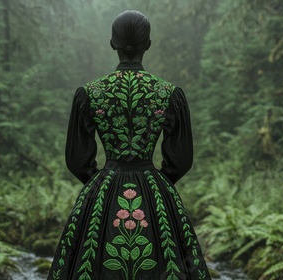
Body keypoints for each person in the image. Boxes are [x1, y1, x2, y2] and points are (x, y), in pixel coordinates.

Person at [47, 10, 211, 280]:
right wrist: (157, 185)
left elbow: (77, 159)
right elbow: (181, 159)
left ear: (113, 44)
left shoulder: (91, 93)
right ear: (148, 44)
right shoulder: (168, 93)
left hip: (104, 188)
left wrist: (100, 184)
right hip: (154, 189)